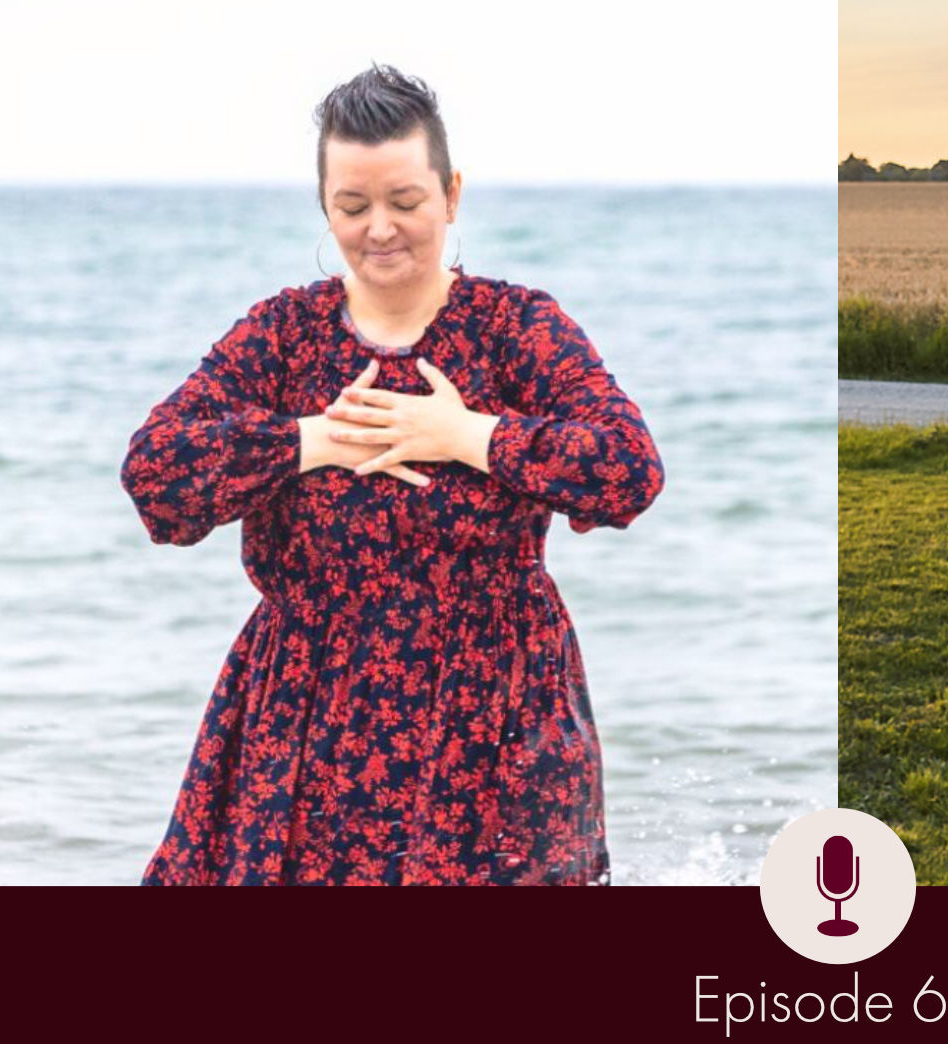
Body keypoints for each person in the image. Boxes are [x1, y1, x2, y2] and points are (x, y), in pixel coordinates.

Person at [121, 65, 663, 885]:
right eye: (353, 206)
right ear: (324, 207)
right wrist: (310, 441)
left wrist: (470, 435)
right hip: (310, 707)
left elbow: (628, 469)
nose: (381, 229)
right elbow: (156, 473)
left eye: (406, 202)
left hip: (496, 705)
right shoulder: (284, 335)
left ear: (451, 194)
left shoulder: (516, 327)